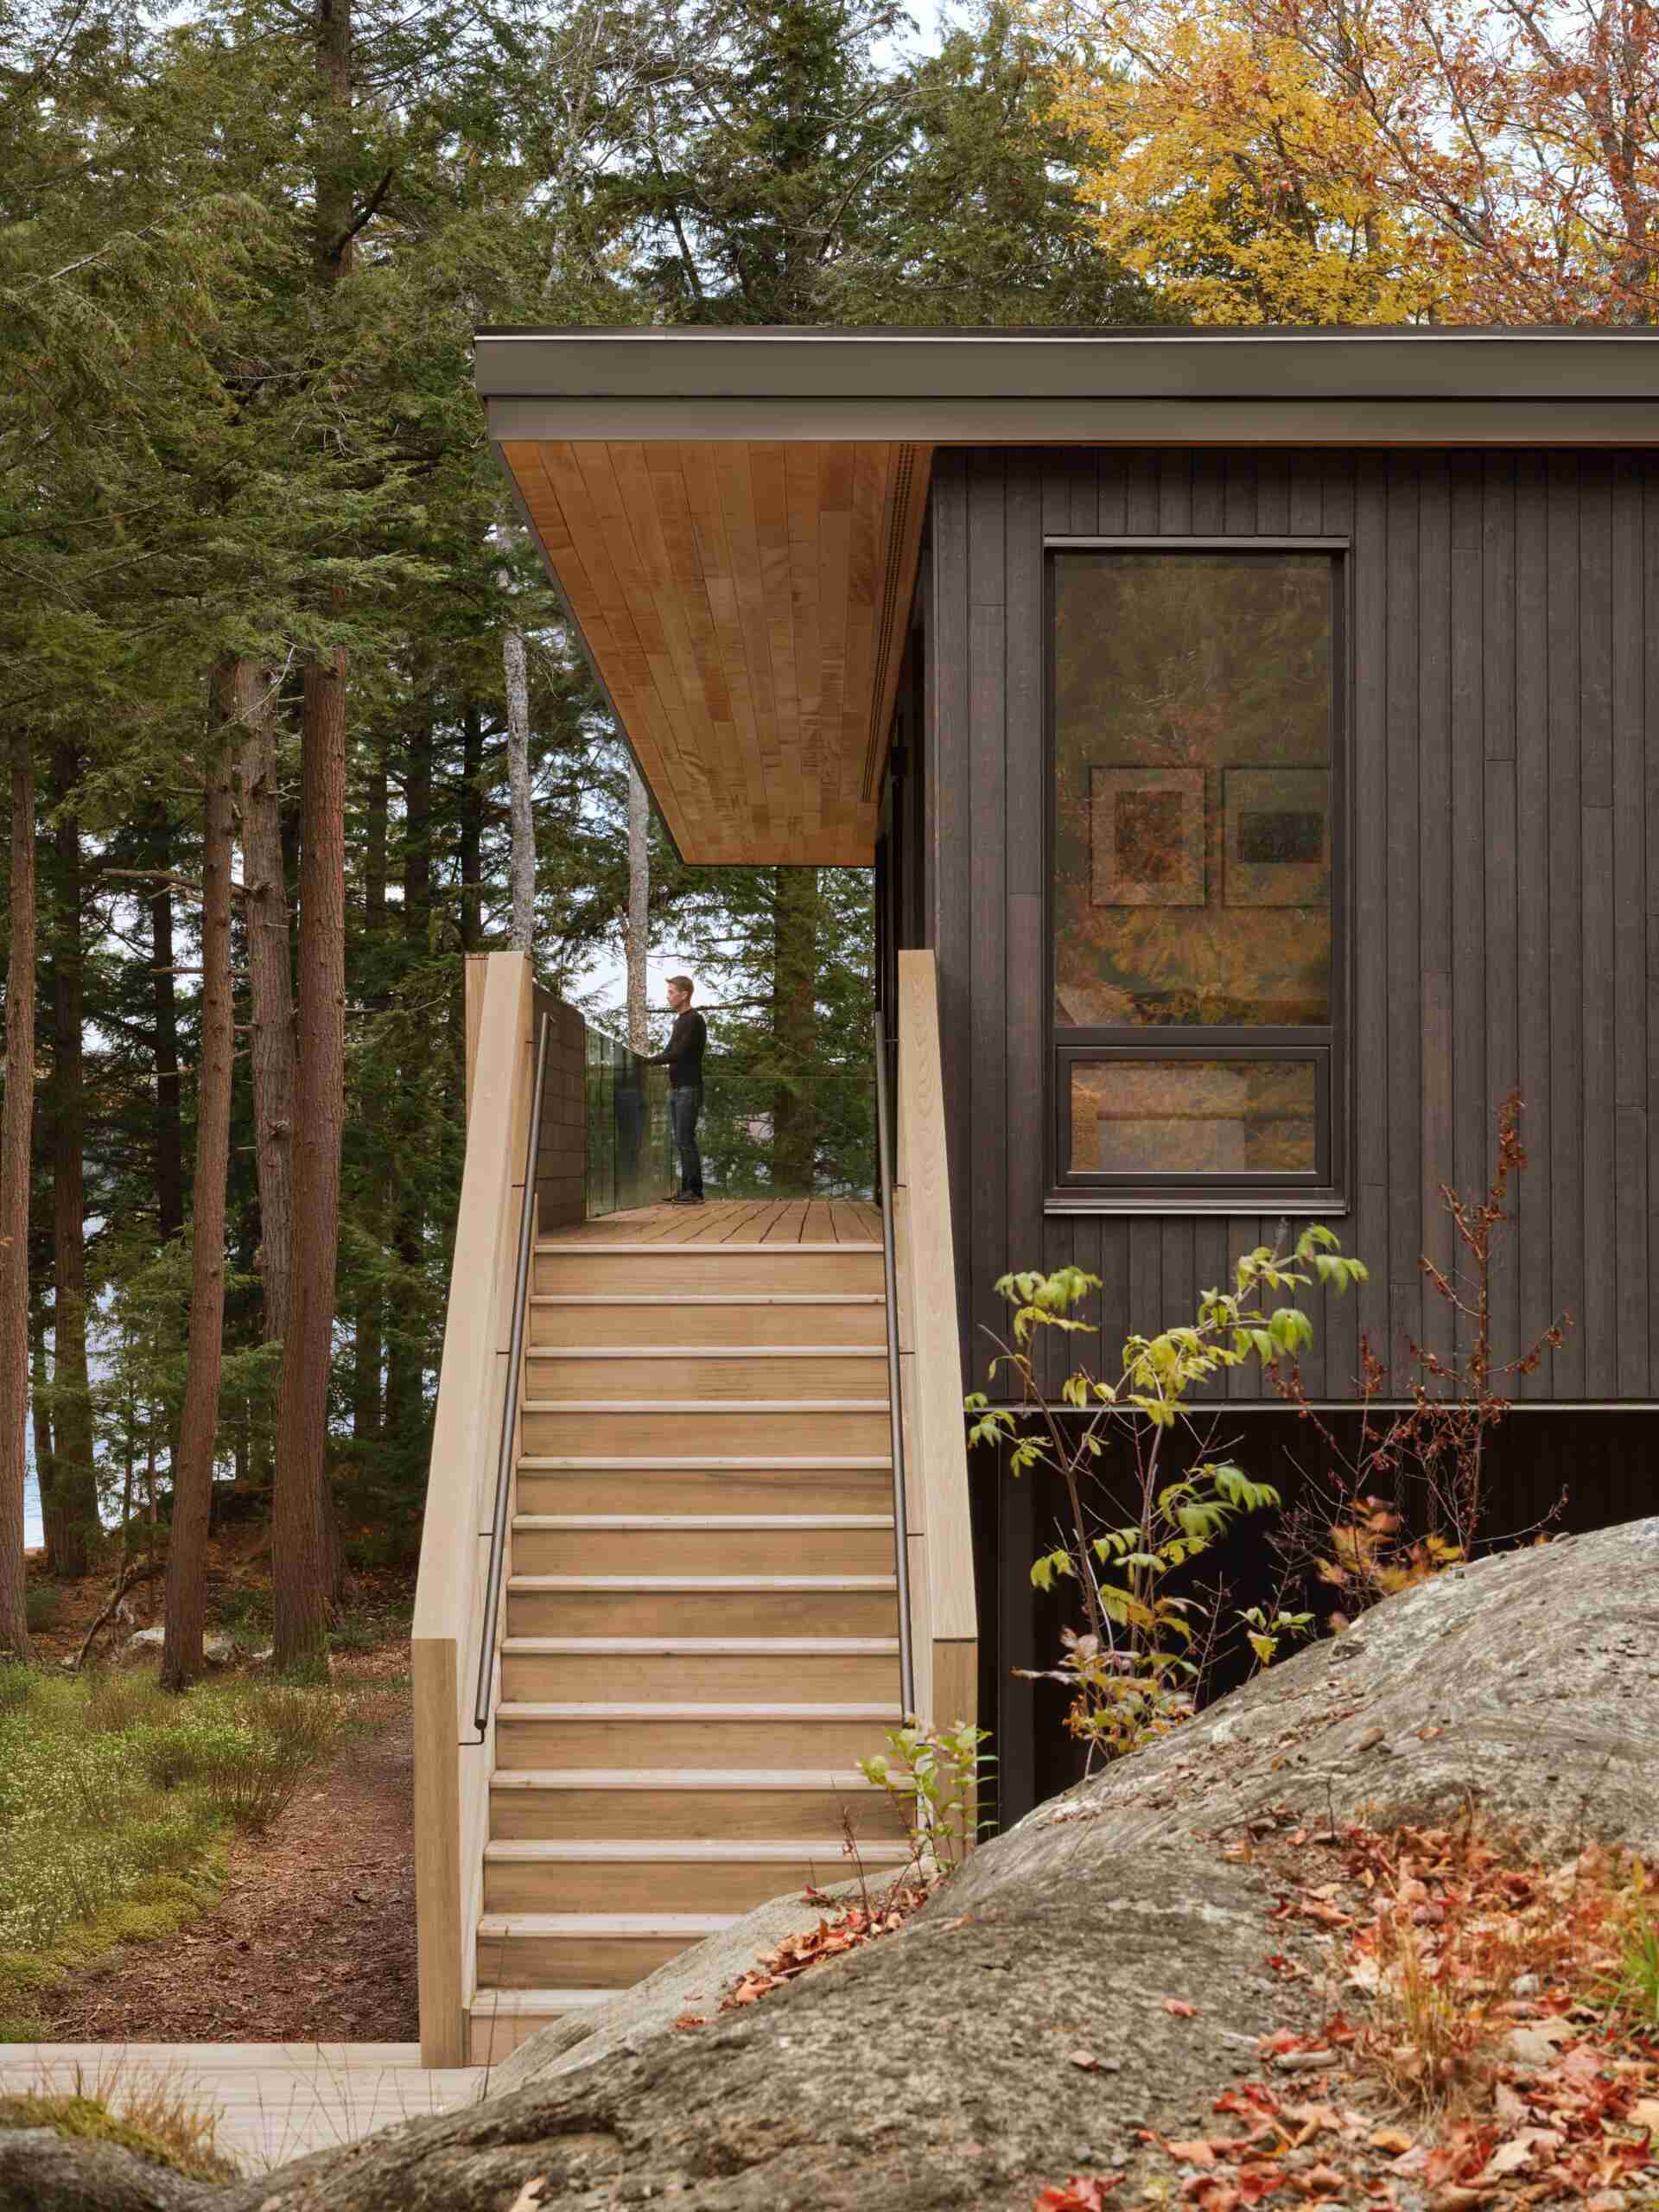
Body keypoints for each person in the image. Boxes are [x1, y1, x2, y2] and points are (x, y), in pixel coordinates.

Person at [647, 975, 706, 1205]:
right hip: (677, 1088)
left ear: (684, 994)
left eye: (672, 992)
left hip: (689, 1088)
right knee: (681, 1140)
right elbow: (670, 1050)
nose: (668, 996)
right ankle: (686, 1191)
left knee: (686, 1139)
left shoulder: (694, 1020)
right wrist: (653, 1059)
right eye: (669, 992)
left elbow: (679, 1052)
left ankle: (695, 1192)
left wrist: (649, 1061)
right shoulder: (679, 1021)